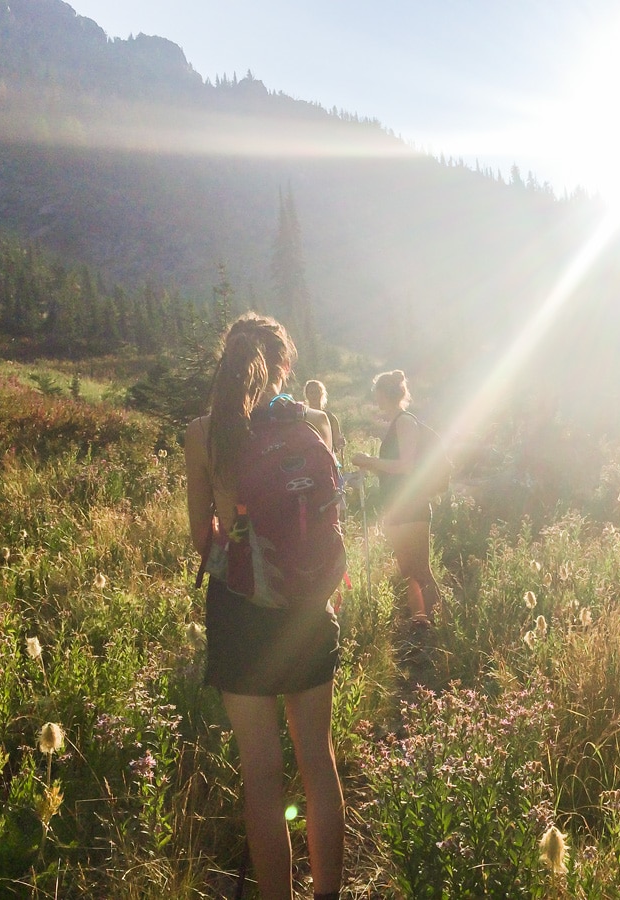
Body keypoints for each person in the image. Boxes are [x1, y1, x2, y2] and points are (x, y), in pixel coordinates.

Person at [184, 313, 343, 900]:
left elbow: (205, 538)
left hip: (241, 613)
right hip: (309, 609)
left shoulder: (204, 434)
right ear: (284, 366)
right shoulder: (319, 423)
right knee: (317, 765)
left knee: (262, 773)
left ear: (228, 363)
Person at [352, 369, 443, 630]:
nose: (375, 398)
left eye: (376, 394)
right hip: (397, 505)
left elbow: (406, 466)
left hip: (411, 504)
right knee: (407, 569)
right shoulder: (397, 423)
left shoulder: (404, 422)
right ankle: (420, 621)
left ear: (383, 394)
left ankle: (439, 623)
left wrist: (369, 462)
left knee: (420, 569)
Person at [304, 379, 345, 457]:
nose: (314, 395)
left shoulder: (331, 418)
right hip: (308, 458)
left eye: (317, 392)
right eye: (311, 392)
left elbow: (337, 444)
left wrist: (340, 443)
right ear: (307, 395)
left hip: (327, 458)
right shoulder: (302, 416)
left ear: (322, 394)